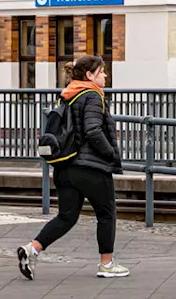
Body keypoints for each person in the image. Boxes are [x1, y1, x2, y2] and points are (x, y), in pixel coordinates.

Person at [18, 54, 127, 280]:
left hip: (65, 166)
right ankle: (106, 264)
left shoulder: (68, 95)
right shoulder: (93, 96)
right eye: (102, 71)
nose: (106, 75)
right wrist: (111, 154)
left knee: (67, 217)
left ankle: (32, 249)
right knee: (106, 214)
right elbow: (93, 131)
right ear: (89, 75)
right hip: (91, 167)